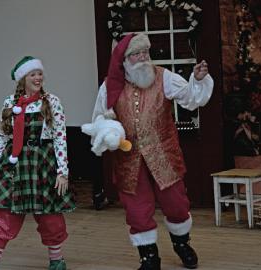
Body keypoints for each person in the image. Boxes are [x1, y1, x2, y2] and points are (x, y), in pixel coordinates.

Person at [89, 33, 214, 269]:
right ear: (125, 60)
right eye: (137, 54)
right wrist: (108, 131)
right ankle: (149, 257)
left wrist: (196, 80)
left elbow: (190, 99)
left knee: (176, 205)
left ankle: (181, 243)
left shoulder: (163, 77)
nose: (144, 58)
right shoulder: (110, 85)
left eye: (146, 53)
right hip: (128, 158)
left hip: (164, 155)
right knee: (137, 209)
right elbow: (99, 119)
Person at [0, 56, 75, 270]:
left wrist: (62, 171)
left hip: (43, 162)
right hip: (14, 165)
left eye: (40, 74)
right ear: (23, 78)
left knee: (49, 214)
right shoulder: (10, 103)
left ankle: (56, 260)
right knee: (6, 212)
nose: (38, 78)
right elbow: (2, 136)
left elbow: (60, 137)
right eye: (33, 74)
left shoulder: (52, 101)